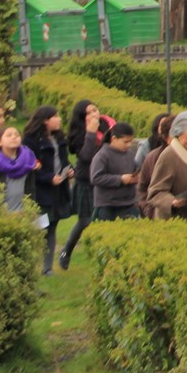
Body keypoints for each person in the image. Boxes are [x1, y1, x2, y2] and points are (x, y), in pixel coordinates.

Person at [59, 100, 107, 269]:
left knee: (103, 218)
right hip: (86, 180)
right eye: (89, 113)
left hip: (103, 180)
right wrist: (91, 133)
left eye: (95, 110)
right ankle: (66, 251)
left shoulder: (106, 127)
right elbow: (86, 156)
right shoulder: (80, 135)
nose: (94, 114)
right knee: (85, 220)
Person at [24, 107, 72, 274]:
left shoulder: (59, 138)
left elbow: (64, 160)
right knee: (40, 228)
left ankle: (47, 268)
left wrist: (69, 170)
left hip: (58, 191)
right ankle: (30, 265)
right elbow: (30, 167)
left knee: (52, 227)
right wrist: (48, 177)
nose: (59, 119)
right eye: (55, 116)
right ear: (45, 120)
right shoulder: (31, 141)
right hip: (42, 193)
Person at [145, 111, 187, 222]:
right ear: (178, 133)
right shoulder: (169, 156)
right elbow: (155, 192)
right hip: (176, 219)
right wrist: (172, 201)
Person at [90, 122, 144, 221]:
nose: (129, 145)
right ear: (114, 139)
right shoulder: (102, 155)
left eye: (130, 141)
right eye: (125, 142)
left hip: (129, 203)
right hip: (108, 205)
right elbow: (96, 178)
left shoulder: (130, 154)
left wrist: (137, 176)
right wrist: (121, 179)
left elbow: (136, 169)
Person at [0, 125, 36, 209]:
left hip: (24, 215)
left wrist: (31, 210)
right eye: (9, 135)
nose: (14, 137)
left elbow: (31, 190)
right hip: (2, 216)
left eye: (17, 135)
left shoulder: (28, 161)